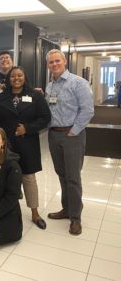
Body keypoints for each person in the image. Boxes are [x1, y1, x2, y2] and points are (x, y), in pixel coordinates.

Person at [0, 67, 51, 229]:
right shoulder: (1, 97)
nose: (16, 78)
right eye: (12, 76)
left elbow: (45, 117)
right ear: (8, 79)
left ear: (25, 77)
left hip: (27, 143)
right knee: (3, 178)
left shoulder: (35, 96)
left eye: (19, 75)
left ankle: (35, 213)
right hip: (6, 145)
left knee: (29, 178)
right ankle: (1, 210)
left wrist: (28, 128)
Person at [45, 49, 94, 235]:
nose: (54, 64)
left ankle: (76, 218)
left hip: (72, 135)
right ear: (48, 65)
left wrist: (74, 131)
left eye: (57, 61)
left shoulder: (78, 83)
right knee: (61, 174)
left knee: (73, 177)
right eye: (51, 62)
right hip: (54, 135)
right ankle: (66, 209)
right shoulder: (50, 86)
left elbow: (88, 110)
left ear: (64, 61)